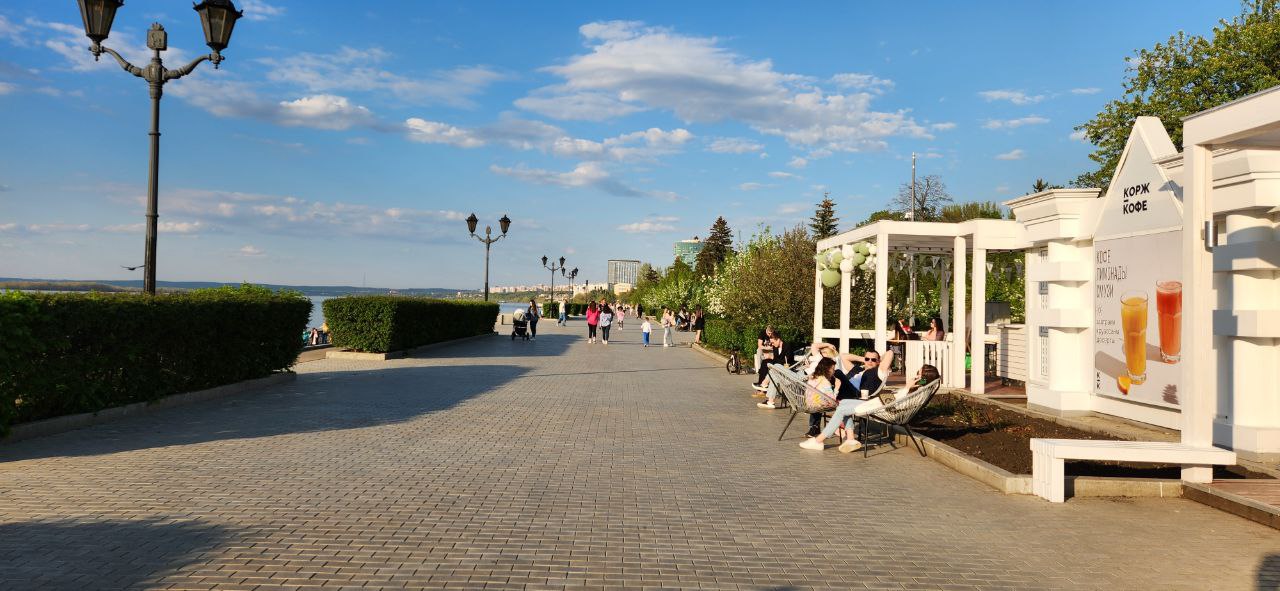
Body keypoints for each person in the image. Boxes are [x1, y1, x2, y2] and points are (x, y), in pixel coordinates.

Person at [801, 363, 939, 452]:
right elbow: (898, 400)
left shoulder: (918, 394)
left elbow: (900, 404)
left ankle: (819, 440)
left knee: (842, 409)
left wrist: (907, 387)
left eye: (918, 374)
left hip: (884, 410)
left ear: (924, 378)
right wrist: (906, 388)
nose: (915, 376)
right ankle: (850, 439)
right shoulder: (917, 390)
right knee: (843, 403)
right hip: (881, 404)